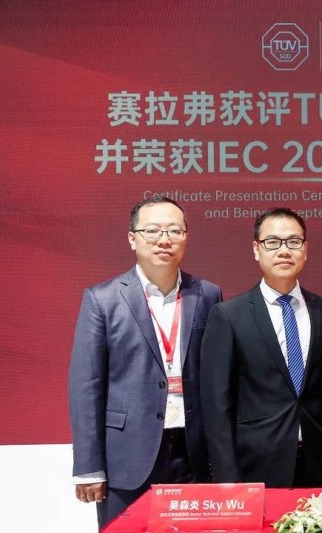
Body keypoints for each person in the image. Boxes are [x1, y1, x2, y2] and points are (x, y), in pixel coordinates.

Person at [68, 196, 222, 528]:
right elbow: (86, 387)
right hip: (128, 455)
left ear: (186, 237)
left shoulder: (208, 294)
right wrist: (89, 467)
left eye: (174, 230)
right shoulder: (103, 299)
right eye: (152, 231)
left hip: (193, 451)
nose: (164, 239)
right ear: (132, 238)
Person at [200, 207, 322, 487]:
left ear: (305, 250)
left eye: (293, 242)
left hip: (313, 462)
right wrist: (226, 478)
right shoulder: (229, 315)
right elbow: (216, 405)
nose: (284, 251)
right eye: (272, 242)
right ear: (256, 250)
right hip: (253, 465)